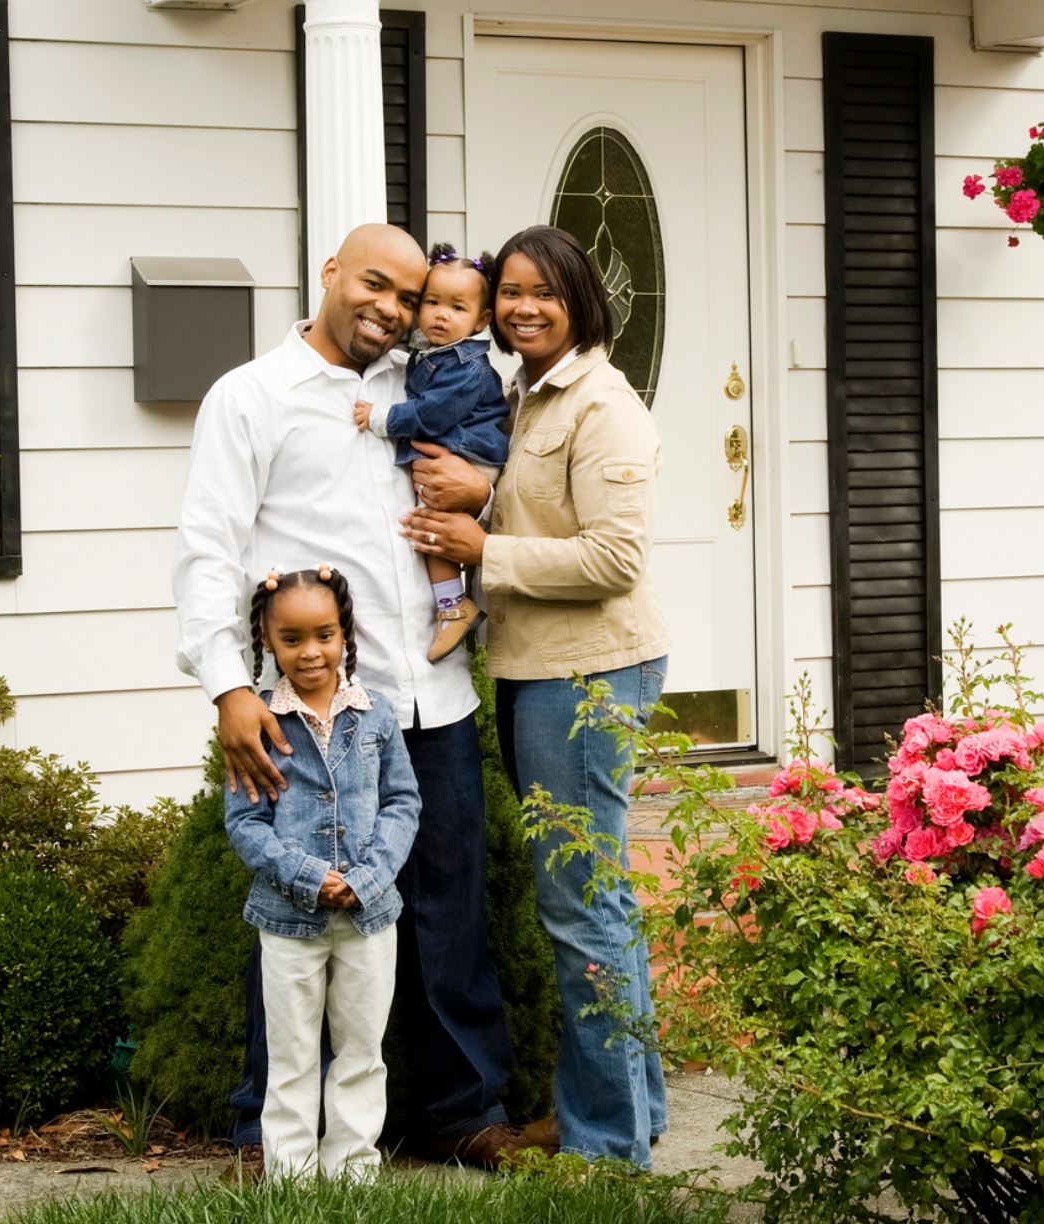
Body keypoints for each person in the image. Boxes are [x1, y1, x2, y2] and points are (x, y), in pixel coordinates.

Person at [174, 223, 534, 1169]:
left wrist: (483, 491)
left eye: (411, 298)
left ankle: (464, 1111)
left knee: (450, 908)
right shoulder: (252, 397)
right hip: (315, 717)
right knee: (296, 917)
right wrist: (227, 689)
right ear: (331, 274)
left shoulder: (424, 392)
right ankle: (269, 1130)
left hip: (434, 696)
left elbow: (483, 500)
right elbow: (209, 551)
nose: (392, 309)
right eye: (376, 284)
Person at [403, 225, 672, 1167]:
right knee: (595, 901)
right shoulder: (526, 394)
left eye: (542, 294)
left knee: (582, 907)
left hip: (587, 674)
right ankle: (626, 1111)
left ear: (580, 300)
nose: (521, 308)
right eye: (507, 291)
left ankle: (607, 1144)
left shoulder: (603, 405)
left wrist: (485, 552)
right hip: (538, 668)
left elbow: (613, 557)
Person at [225, 565, 417, 1179]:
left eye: (324, 635)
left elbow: (402, 802)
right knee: (292, 1054)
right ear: (266, 641)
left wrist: (364, 878)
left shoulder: (376, 714)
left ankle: (353, 1173)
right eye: (291, 639)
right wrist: (310, 876)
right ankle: (291, 1178)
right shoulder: (259, 721)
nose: (310, 652)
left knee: (361, 1050)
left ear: (345, 633)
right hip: (288, 918)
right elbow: (246, 824)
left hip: (369, 916)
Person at [353, 244, 511, 662]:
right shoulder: (433, 356)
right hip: (459, 448)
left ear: (481, 321)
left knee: (433, 530)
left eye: (457, 307)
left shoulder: (466, 367)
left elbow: (431, 416)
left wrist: (380, 418)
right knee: (431, 530)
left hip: (470, 454)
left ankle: (452, 606)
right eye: (432, 302)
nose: (441, 314)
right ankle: (452, 604)